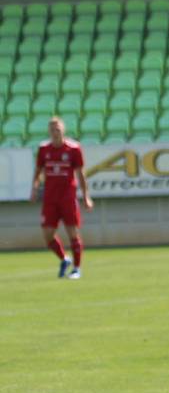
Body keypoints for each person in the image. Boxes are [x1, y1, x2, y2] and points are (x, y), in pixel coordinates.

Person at [31, 116, 93, 279]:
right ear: (49, 131)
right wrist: (34, 188)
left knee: (72, 232)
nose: (54, 131)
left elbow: (81, 174)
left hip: (67, 197)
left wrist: (86, 196)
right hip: (50, 198)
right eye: (52, 129)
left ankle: (77, 269)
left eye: (57, 128)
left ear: (63, 130)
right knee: (47, 234)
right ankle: (65, 259)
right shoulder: (44, 149)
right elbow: (38, 171)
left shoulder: (73, 149)